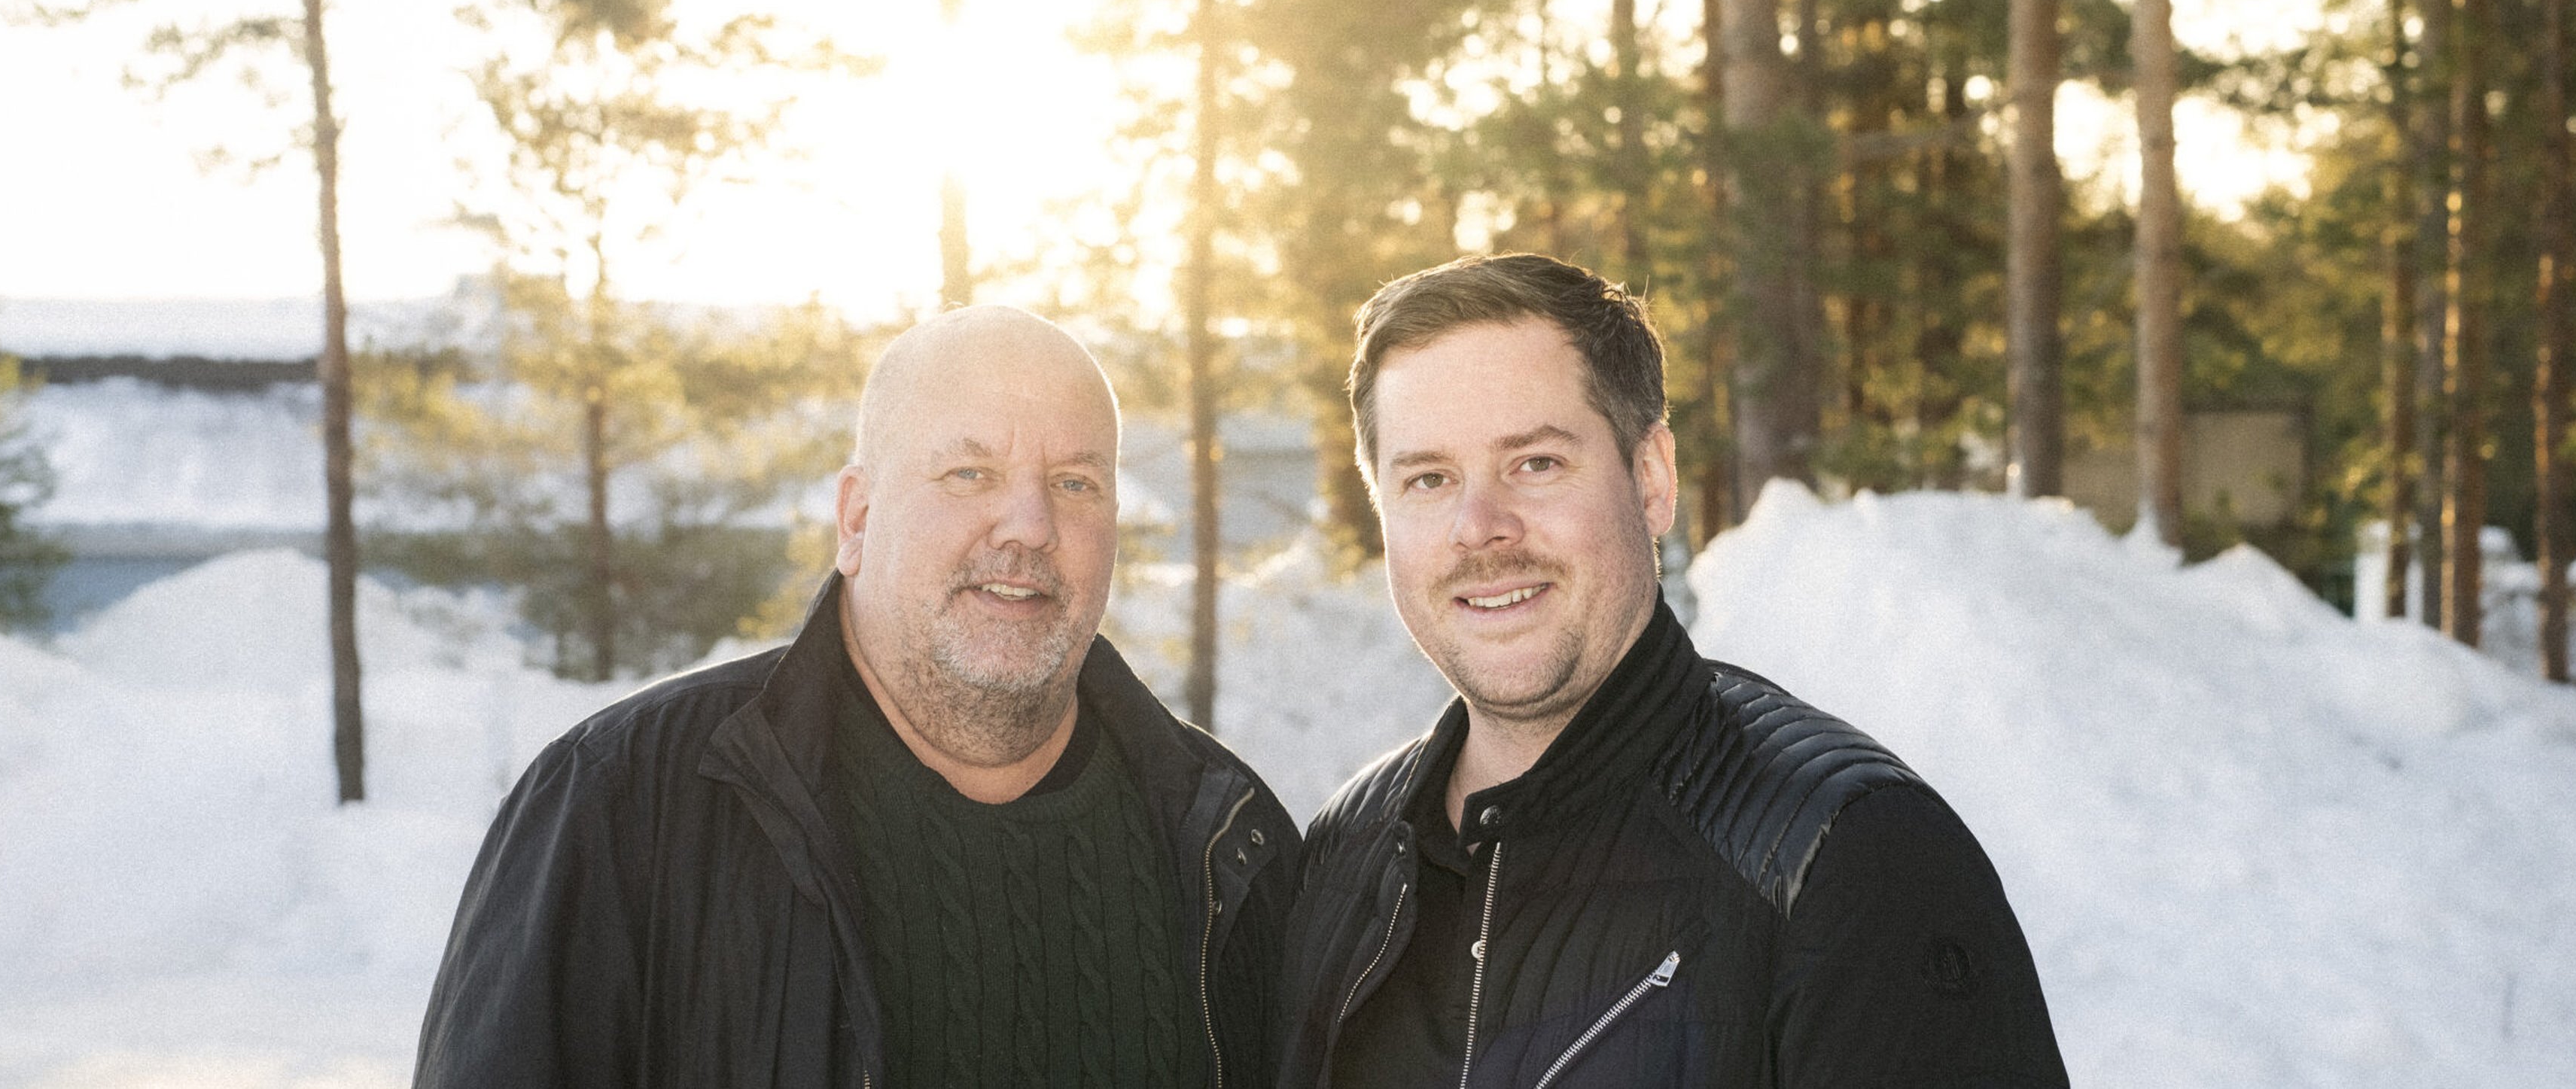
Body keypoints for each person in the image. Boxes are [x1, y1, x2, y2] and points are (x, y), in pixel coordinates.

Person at [416, 306, 1299, 1089]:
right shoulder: (618, 803)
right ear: (857, 518)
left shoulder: (1235, 846)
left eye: (1076, 482)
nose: (1031, 525)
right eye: (970, 473)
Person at [1277, 254, 2066, 1087]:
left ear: (1651, 478)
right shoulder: (1343, 856)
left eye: (1535, 463)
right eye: (1429, 479)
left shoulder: (1845, 859)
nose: (1479, 526)